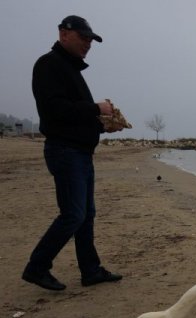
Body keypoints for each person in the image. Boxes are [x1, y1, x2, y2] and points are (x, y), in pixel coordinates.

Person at [22, 15, 122, 291]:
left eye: (91, 40)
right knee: (73, 214)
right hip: (65, 152)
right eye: (83, 37)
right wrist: (95, 109)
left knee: (86, 214)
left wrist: (102, 126)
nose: (88, 44)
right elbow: (54, 109)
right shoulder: (48, 65)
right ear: (64, 34)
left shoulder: (71, 70)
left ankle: (90, 270)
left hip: (79, 152)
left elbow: (72, 116)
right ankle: (37, 267)